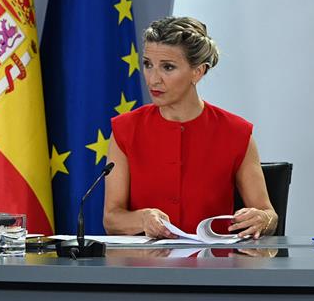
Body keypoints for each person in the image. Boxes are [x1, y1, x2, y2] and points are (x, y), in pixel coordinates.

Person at [103, 16, 277, 239]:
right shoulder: (125, 129)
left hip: (215, 267)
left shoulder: (236, 132)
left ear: (198, 72)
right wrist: (142, 218)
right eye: (148, 64)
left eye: (167, 67)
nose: (153, 79)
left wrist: (263, 219)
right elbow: (111, 218)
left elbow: (268, 213)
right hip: (144, 267)